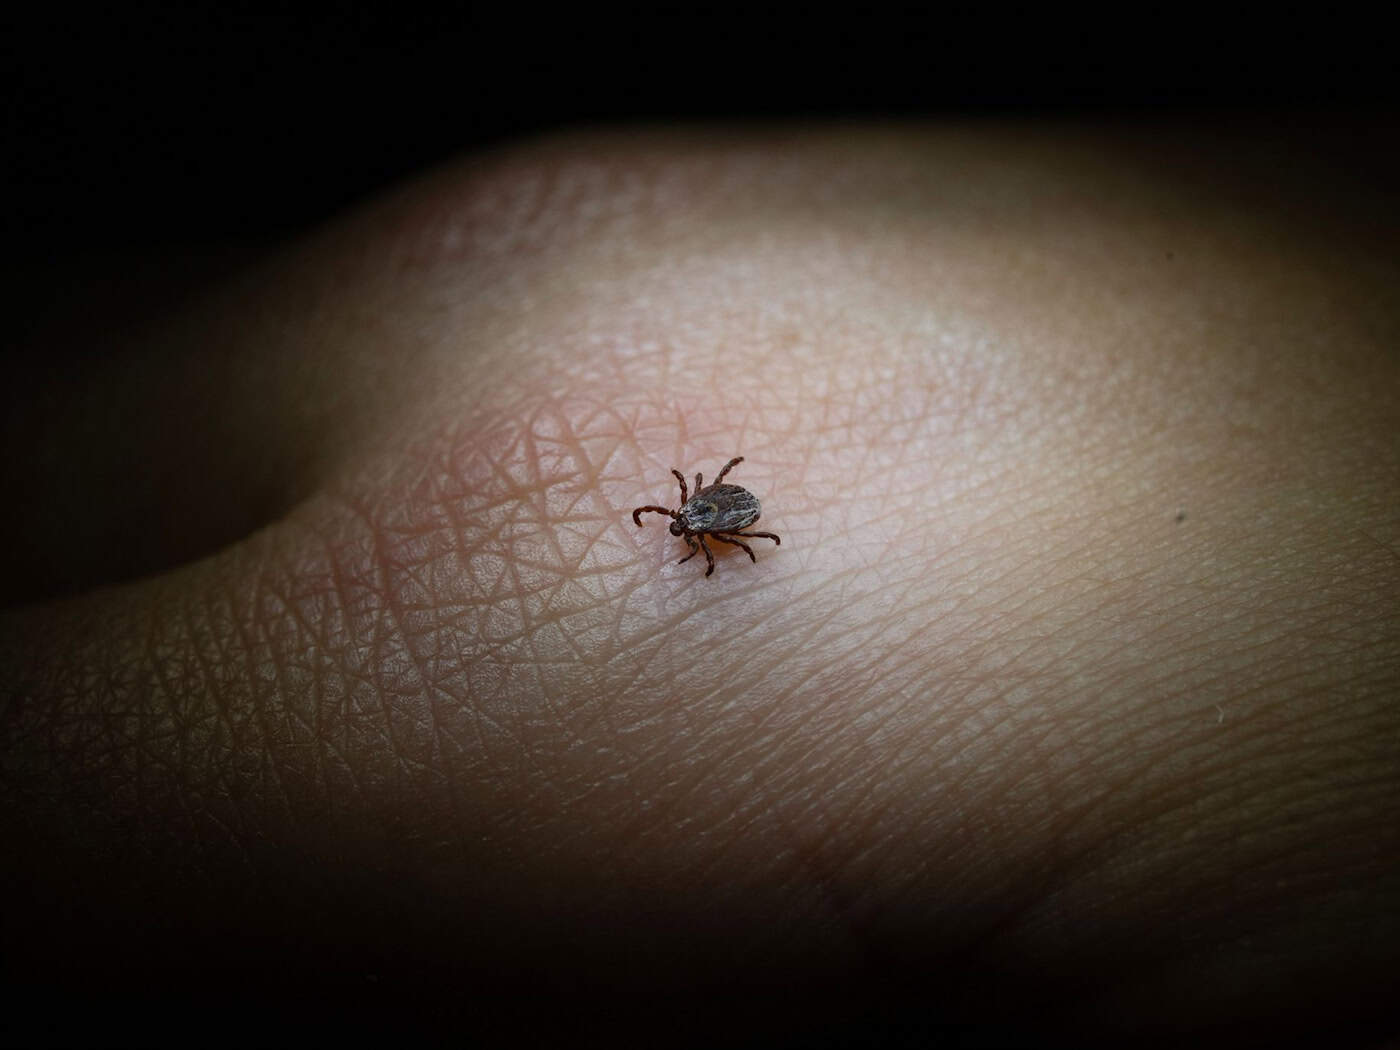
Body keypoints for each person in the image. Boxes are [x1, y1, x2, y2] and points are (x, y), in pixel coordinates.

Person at [3, 124, 1397, 1046]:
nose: (695, 530)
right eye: (696, 524)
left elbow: (737, 519)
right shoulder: (706, 521)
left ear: (707, 523)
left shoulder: (724, 529)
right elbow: (719, 505)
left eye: (702, 528)